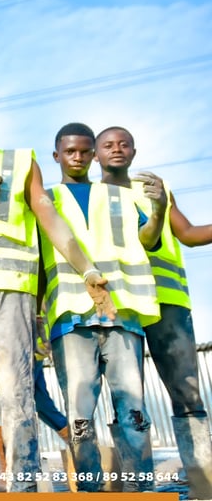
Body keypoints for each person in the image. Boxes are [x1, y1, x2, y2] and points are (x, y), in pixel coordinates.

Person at [0, 97, 116, 492]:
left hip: (11, 287)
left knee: (16, 389)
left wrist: (87, 269)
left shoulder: (21, 162)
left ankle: (23, 487)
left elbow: (49, 216)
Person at [42, 123, 164, 492]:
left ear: (94, 155)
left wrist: (159, 210)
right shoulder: (45, 201)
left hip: (122, 316)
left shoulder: (119, 197)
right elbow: (37, 264)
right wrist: (36, 320)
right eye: (70, 151)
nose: (77, 157)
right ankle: (91, 491)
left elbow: (148, 239)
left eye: (84, 151)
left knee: (134, 411)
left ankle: (140, 489)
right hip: (70, 319)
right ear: (57, 156)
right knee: (80, 417)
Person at [97, 125, 212, 499]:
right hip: (124, 305)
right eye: (108, 145)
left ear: (134, 151)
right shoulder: (90, 198)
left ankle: (203, 485)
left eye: (124, 144)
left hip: (168, 304)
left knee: (187, 393)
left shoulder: (155, 190)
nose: (117, 149)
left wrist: (162, 203)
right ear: (96, 154)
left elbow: (189, 234)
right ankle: (138, 489)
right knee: (128, 401)